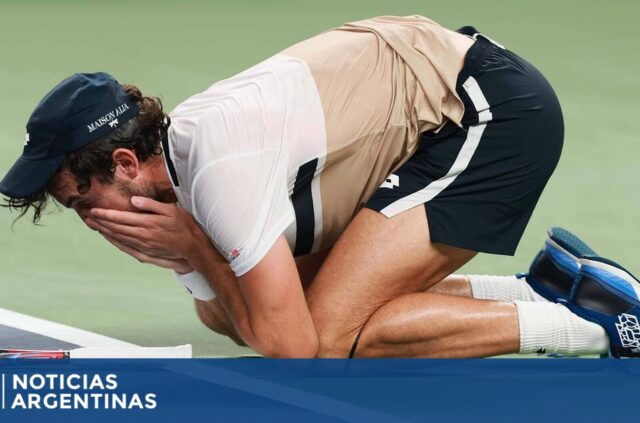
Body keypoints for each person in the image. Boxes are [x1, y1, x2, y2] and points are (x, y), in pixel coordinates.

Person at [2, 15, 633, 358]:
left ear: (124, 163)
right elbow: (228, 319)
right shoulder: (180, 167)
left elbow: (297, 350)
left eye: (81, 201)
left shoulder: (219, 168)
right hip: (433, 108)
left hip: (487, 113)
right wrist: (188, 256)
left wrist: (196, 250)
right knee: (297, 303)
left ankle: (597, 327)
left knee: (332, 334)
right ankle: (540, 288)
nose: (90, 221)